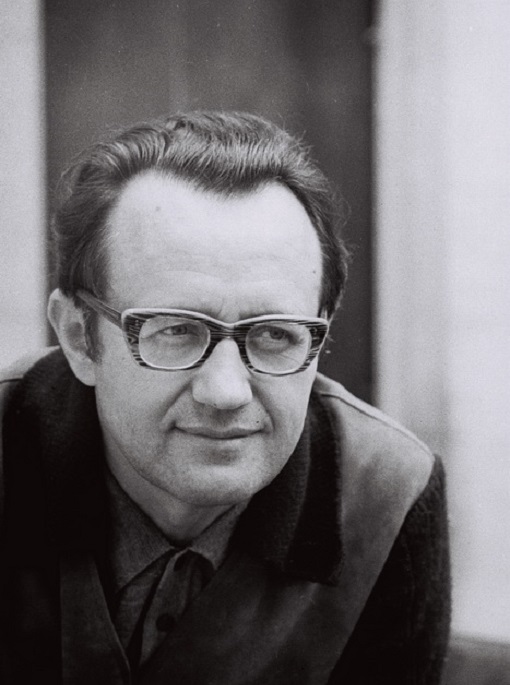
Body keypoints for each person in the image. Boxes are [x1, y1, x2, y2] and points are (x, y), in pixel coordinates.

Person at [0, 111, 450, 684]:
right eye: (175, 330)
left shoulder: (389, 496)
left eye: (275, 335)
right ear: (78, 338)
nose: (225, 391)